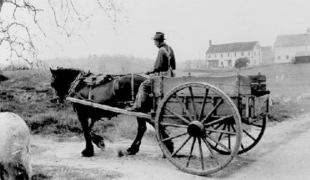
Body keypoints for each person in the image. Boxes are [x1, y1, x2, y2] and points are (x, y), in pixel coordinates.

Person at [127, 32, 176, 112]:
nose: (154, 43)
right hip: (170, 77)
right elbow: (173, 66)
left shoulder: (161, 50)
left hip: (162, 79)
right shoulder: (170, 49)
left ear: (158, 41)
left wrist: (148, 71)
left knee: (144, 85)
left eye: (155, 41)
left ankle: (138, 106)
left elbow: (157, 67)